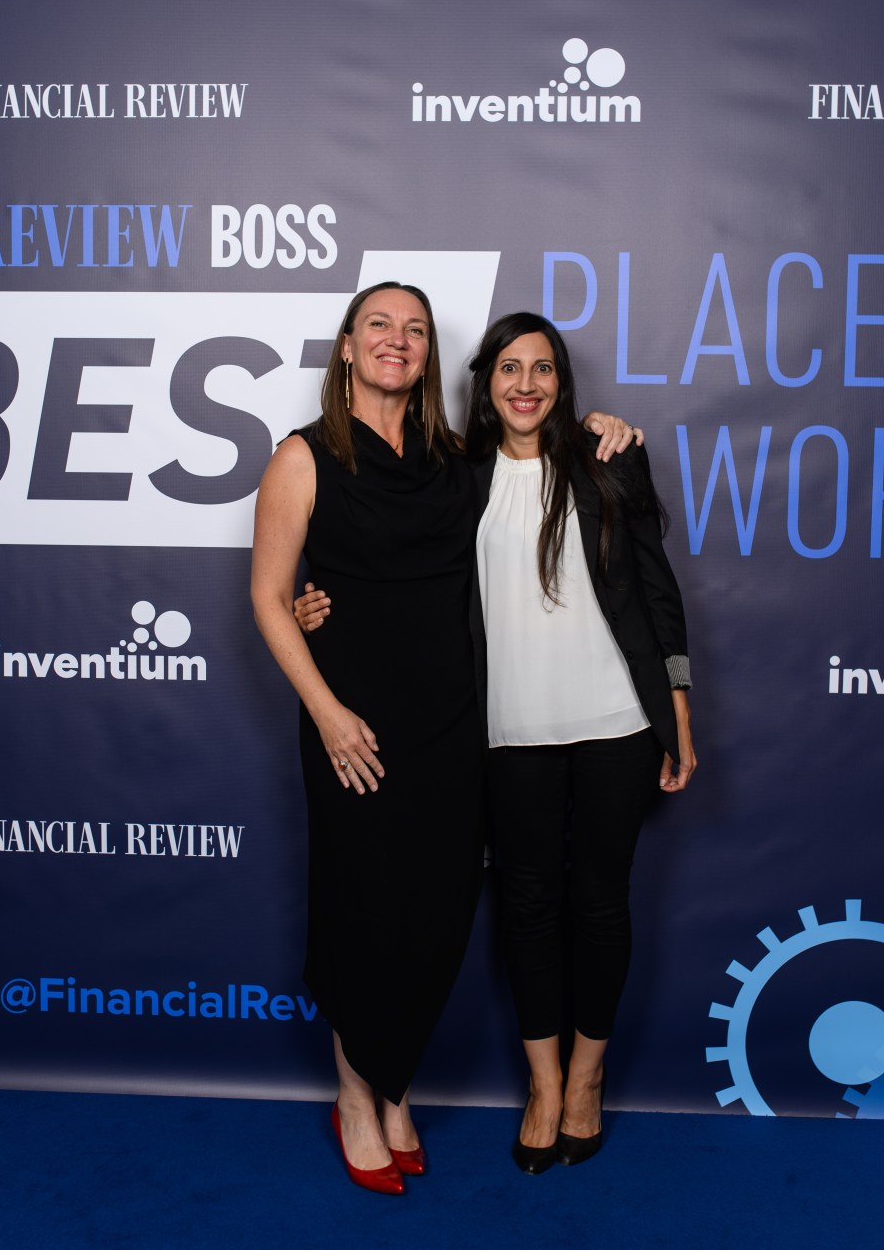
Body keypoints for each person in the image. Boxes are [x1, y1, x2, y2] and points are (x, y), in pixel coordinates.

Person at [253, 283, 635, 1195]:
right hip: (352, 724)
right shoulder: (303, 456)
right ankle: (357, 1098)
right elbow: (269, 596)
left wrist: (604, 427)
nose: (398, 339)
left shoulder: (455, 458)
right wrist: (328, 710)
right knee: (359, 908)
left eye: (415, 329)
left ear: (428, 355)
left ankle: (396, 1091)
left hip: (455, 723)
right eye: (379, 325)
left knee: (431, 912)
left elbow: (535, 464)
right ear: (348, 346)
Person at [466, 312, 696, 1174]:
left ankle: (587, 1080)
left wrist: (678, 711)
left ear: (562, 382)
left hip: (617, 723)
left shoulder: (608, 458)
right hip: (508, 729)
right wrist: (318, 605)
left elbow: (658, 588)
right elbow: (401, 578)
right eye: (509, 367)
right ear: (486, 382)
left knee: (599, 904)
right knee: (526, 907)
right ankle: (544, 1084)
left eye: (543, 368)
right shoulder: (456, 475)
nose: (525, 384)